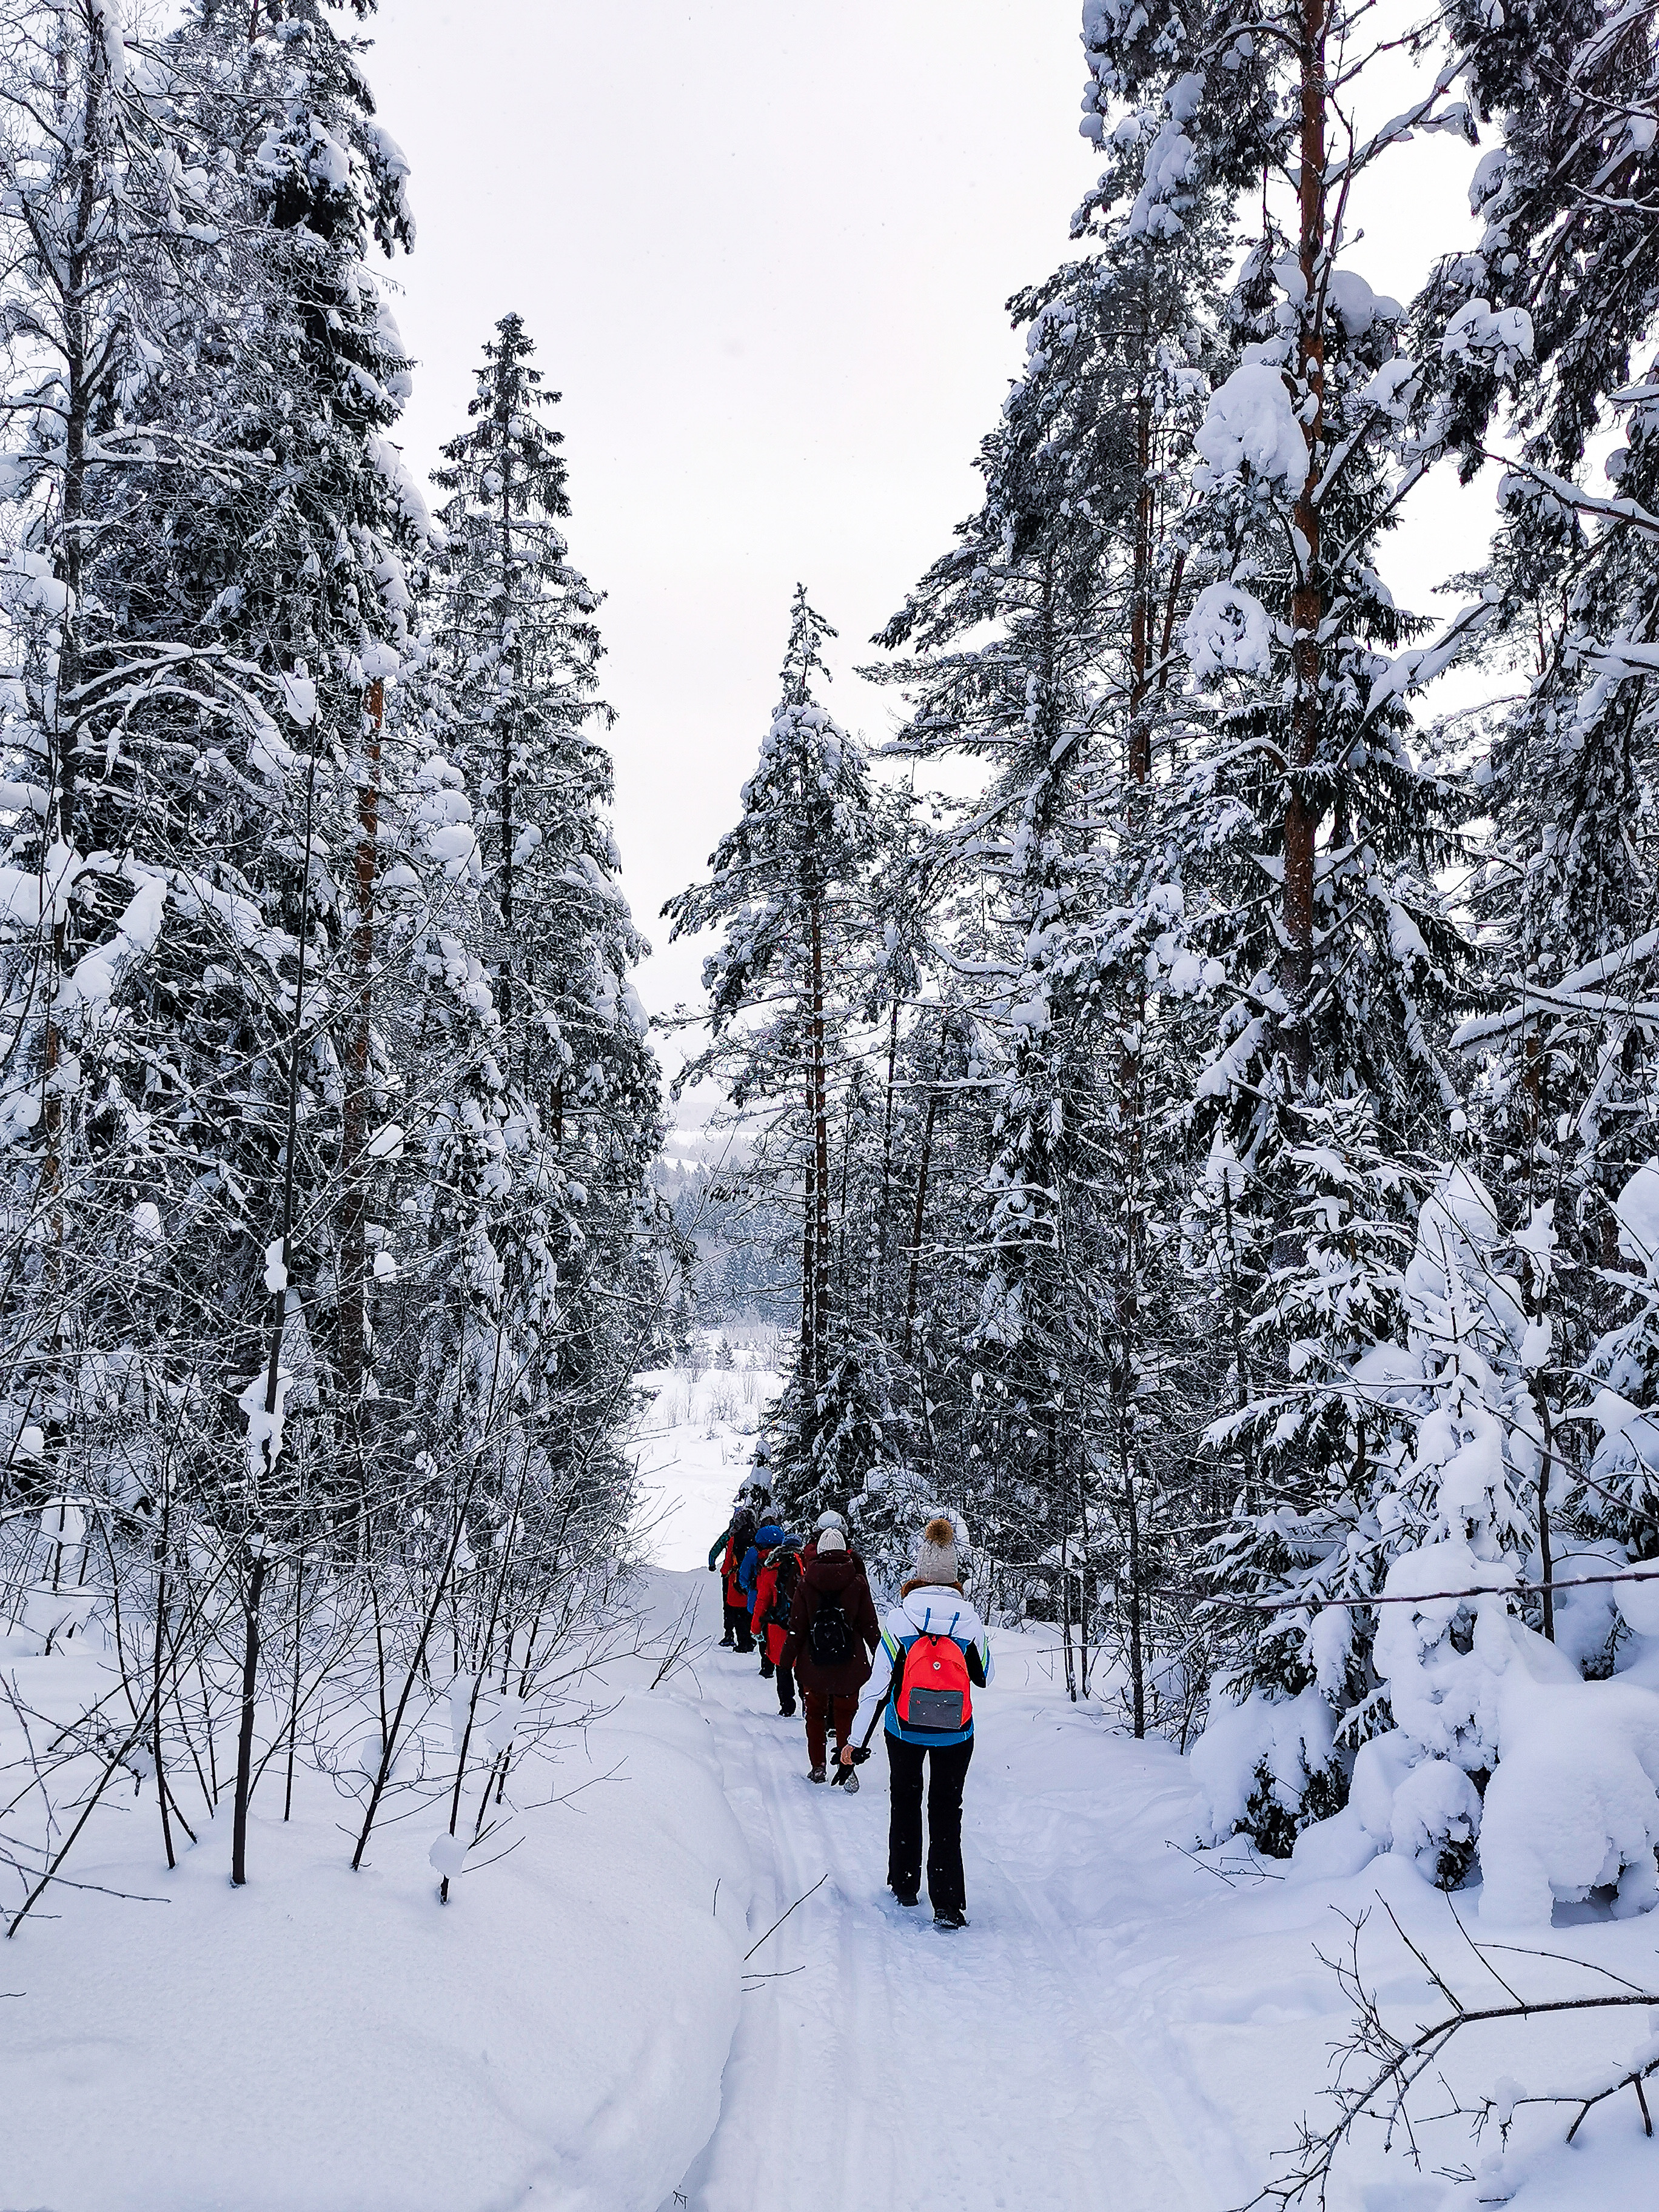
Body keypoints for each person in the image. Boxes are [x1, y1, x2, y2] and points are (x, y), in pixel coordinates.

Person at [843, 1516, 991, 1931]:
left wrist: (855, 1742)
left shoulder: (899, 1619)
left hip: (903, 1729)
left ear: (920, 1573)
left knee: (905, 1800)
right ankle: (947, 1904)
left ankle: (905, 1884)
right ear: (954, 1576)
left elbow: (876, 1689)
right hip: (956, 1732)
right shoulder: (969, 1621)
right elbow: (985, 1677)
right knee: (947, 1810)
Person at [782, 1526, 880, 1786]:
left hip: (814, 1664)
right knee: (846, 1714)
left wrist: (784, 1660)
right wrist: (881, 1655)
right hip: (849, 1663)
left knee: (815, 1715)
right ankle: (847, 1766)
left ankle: (818, 1767)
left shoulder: (806, 1583)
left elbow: (797, 1627)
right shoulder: (857, 1582)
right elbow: (869, 1624)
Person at [747, 1528, 803, 1716]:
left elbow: (762, 1602)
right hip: (801, 1626)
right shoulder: (806, 1569)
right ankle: (809, 1706)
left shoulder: (771, 1570)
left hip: (778, 1628)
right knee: (803, 1668)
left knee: (782, 1667)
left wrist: (755, 1628)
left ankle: (787, 1706)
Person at [708, 1486, 762, 1650]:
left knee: (729, 1606)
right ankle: (752, 1636)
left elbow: (715, 1550)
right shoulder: (757, 1536)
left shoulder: (730, 1535)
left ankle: (729, 1634)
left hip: (730, 1576)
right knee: (749, 1606)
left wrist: (712, 1564)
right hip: (752, 1577)